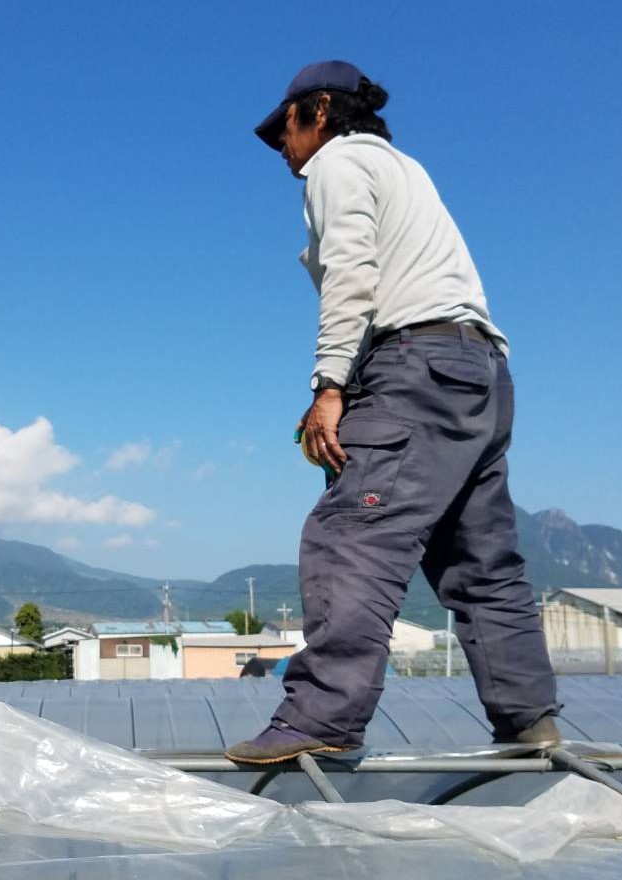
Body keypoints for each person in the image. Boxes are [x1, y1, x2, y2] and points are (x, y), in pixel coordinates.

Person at [225, 61, 561, 764]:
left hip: (414, 365)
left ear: (317, 111)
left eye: (283, 130)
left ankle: (321, 717)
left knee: (352, 535)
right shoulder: (406, 170)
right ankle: (531, 723)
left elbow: (353, 270)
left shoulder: (340, 163)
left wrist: (328, 385)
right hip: (480, 372)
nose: (283, 150)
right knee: (482, 563)